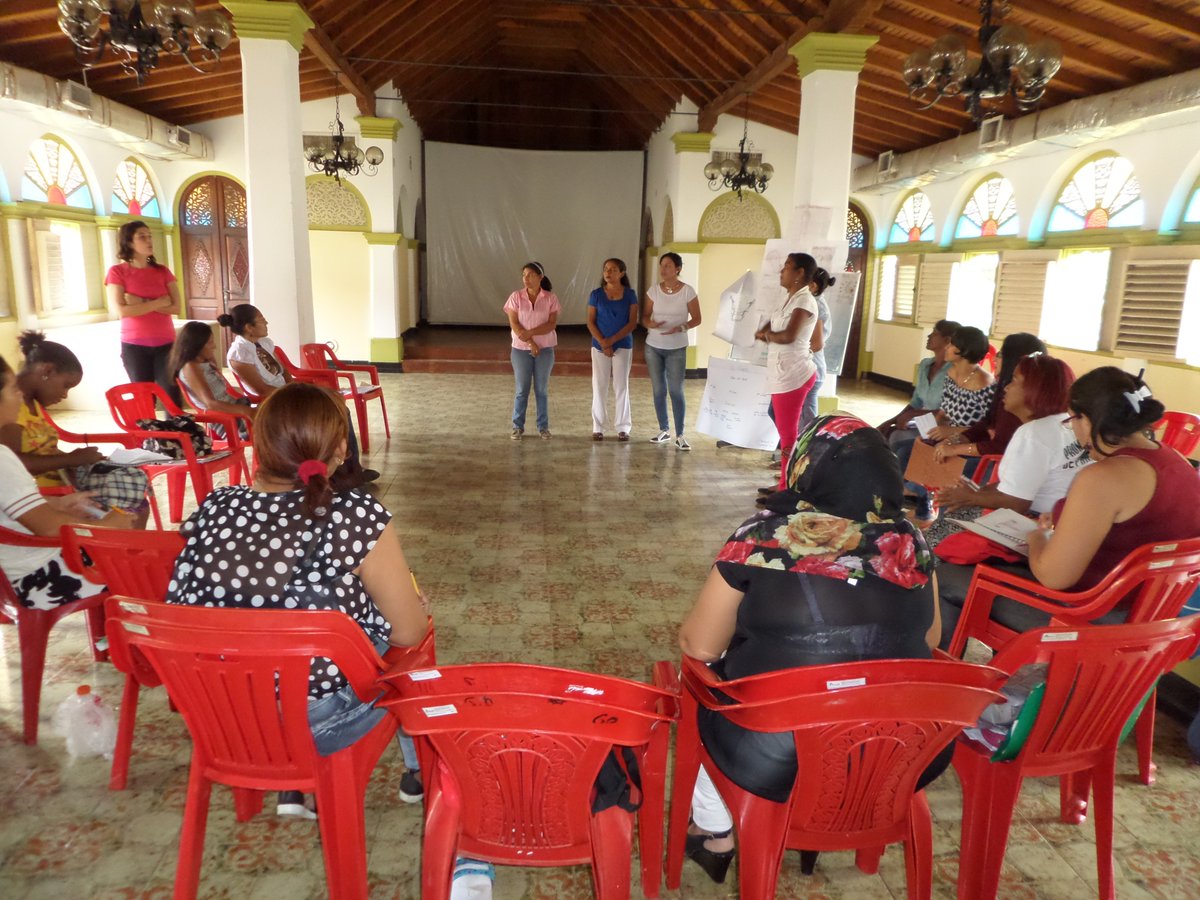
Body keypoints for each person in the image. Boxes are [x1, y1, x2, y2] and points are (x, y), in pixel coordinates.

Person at [677, 415, 943, 883]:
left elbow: (699, 645)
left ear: (807, 468)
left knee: (705, 679)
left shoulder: (763, 538)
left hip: (777, 754)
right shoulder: (911, 542)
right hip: (899, 750)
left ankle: (715, 832)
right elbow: (931, 641)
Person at [165, 382, 429, 817]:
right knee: (414, 640)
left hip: (223, 713)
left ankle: (292, 790)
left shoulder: (215, 506)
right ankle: (417, 772)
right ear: (341, 448)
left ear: (258, 445)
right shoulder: (354, 515)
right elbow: (408, 632)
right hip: (316, 721)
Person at [1029, 367, 1200, 592]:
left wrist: (1038, 537)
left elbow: (1054, 578)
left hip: (1090, 612)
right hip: (1157, 610)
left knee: (969, 575)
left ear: (1087, 421)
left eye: (1072, 420)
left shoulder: (1103, 477)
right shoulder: (1177, 460)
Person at [0, 354, 136, 610]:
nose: (19, 395)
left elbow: (8, 506)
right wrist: (107, 526)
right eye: (12, 389)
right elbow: (50, 529)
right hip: (35, 578)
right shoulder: (2, 458)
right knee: (138, 567)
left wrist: (58, 504)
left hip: (11, 577)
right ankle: (127, 641)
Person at [926, 354, 1083, 552]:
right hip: (1063, 523)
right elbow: (1020, 484)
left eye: (1015, 380)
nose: (1007, 387)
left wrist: (970, 497)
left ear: (1035, 391)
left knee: (949, 523)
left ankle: (928, 569)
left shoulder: (1034, 433)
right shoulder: (1067, 422)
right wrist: (977, 492)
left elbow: (1016, 503)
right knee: (956, 508)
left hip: (1040, 525)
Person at [0, 331, 150, 528]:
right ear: (47, 371)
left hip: (61, 493)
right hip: (43, 498)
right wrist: (72, 459)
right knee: (128, 510)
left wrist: (79, 461)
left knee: (135, 497)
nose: (64, 394)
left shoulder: (33, 406)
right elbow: (17, 464)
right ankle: (124, 553)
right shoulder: (11, 416)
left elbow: (44, 451)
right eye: (65, 386)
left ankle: (131, 554)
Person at [220, 303, 377, 485]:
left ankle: (349, 468)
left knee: (339, 405)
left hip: (287, 393)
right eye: (262, 320)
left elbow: (285, 373)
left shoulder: (264, 344)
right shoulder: (239, 354)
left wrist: (301, 391)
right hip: (273, 403)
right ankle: (341, 470)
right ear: (249, 328)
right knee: (331, 412)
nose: (267, 323)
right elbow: (262, 390)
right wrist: (296, 396)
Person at [902, 325, 996, 522]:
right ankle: (923, 506)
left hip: (968, 443)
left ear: (963, 349)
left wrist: (950, 431)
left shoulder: (984, 382)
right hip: (948, 437)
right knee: (906, 447)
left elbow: (988, 430)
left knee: (923, 454)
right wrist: (929, 430)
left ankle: (934, 511)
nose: (947, 347)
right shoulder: (951, 374)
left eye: (952, 344)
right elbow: (945, 411)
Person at [932, 333, 1047, 474]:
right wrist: (958, 438)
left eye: (1000, 354)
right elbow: (988, 422)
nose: (995, 359)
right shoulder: (1005, 386)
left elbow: (999, 446)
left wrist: (955, 447)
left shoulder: (1020, 397)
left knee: (944, 464)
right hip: (988, 449)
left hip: (1005, 463)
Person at [754, 253, 820, 490]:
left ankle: (787, 487)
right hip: (783, 373)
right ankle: (786, 481)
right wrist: (763, 331)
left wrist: (768, 336)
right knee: (786, 431)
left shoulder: (805, 301)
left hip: (793, 374)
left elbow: (789, 335)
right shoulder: (790, 299)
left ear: (800, 273)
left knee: (788, 434)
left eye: (787, 266)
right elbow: (772, 325)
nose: (782, 270)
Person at [104, 220, 183, 406]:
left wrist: (142, 303)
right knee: (144, 399)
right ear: (129, 242)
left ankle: (178, 434)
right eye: (142, 237)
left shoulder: (162, 271)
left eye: (149, 236)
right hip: (135, 346)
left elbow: (176, 308)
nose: (149, 240)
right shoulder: (117, 272)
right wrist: (158, 302)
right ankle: (148, 435)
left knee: (172, 395)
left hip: (166, 344)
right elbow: (122, 310)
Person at [643, 252, 701, 451]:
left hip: (676, 348)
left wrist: (681, 328)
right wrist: (650, 323)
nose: (663, 269)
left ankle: (681, 434)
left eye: (667, 265)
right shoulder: (653, 291)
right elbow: (644, 317)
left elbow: (697, 318)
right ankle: (664, 429)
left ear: (678, 269)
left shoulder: (688, 291)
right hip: (653, 347)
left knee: (676, 390)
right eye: (661, 265)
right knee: (659, 390)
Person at [169, 321, 255, 440]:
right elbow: (211, 404)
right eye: (210, 343)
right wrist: (248, 411)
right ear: (196, 346)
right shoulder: (190, 367)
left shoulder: (202, 362)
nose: (214, 346)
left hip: (235, 408)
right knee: (276, 424)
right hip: (226, 418)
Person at [503, 261, 560, 441]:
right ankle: (517, 426)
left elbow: (551, 324)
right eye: (524, 275)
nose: (526, 279)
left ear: (540, 277)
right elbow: (514, 324)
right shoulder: (516, 297)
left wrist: (532, 334)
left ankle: (543, 427)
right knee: (522, 389)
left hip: (546, 350)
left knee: (541, 390)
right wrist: (531, 343)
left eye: (530, 275)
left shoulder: (551, 298)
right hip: (520, 350)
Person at [877, 319, 958, 443]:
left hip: (944, 427)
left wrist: (914, 414)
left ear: (947, 340)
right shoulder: (925, 365)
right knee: (887, 432)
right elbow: (916, 402)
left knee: (897, 437)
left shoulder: (954, 370)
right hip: (925, 422)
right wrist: (891, 421)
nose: (929, 336)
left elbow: (951, 412)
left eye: (934, 334)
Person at [587, 258, 639, 441]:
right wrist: (603, 342)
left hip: (623, 345)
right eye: (606, 269)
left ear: (622, 273)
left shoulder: (630, 294)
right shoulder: (596, 295)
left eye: (613, 269)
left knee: (621, 386)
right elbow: (590, 322)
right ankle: (598, 426)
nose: (608, 273)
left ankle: (623, 427)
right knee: (599, 385)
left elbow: (632, 322)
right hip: (599, 346)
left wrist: (612, 341)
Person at [796, 267, 835, 437]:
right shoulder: (811, 302)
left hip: (811, 369)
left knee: (807, 418)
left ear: (813, 285)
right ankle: (797, 452)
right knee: (801, 415)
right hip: (807, 368)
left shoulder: (815, 305)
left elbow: (816, 344)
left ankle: (805, 453)